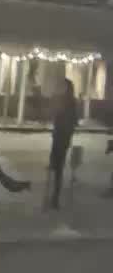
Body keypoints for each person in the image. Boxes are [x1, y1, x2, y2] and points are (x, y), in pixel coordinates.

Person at [47, 78, 81, 209]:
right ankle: (54, 196)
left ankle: (55, 197)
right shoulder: (62, 100)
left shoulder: (70, 102)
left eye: (63, 86)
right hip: (58, 136)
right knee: (55, 167)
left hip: (62, 137)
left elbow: (71, 120)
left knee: (58, 169)